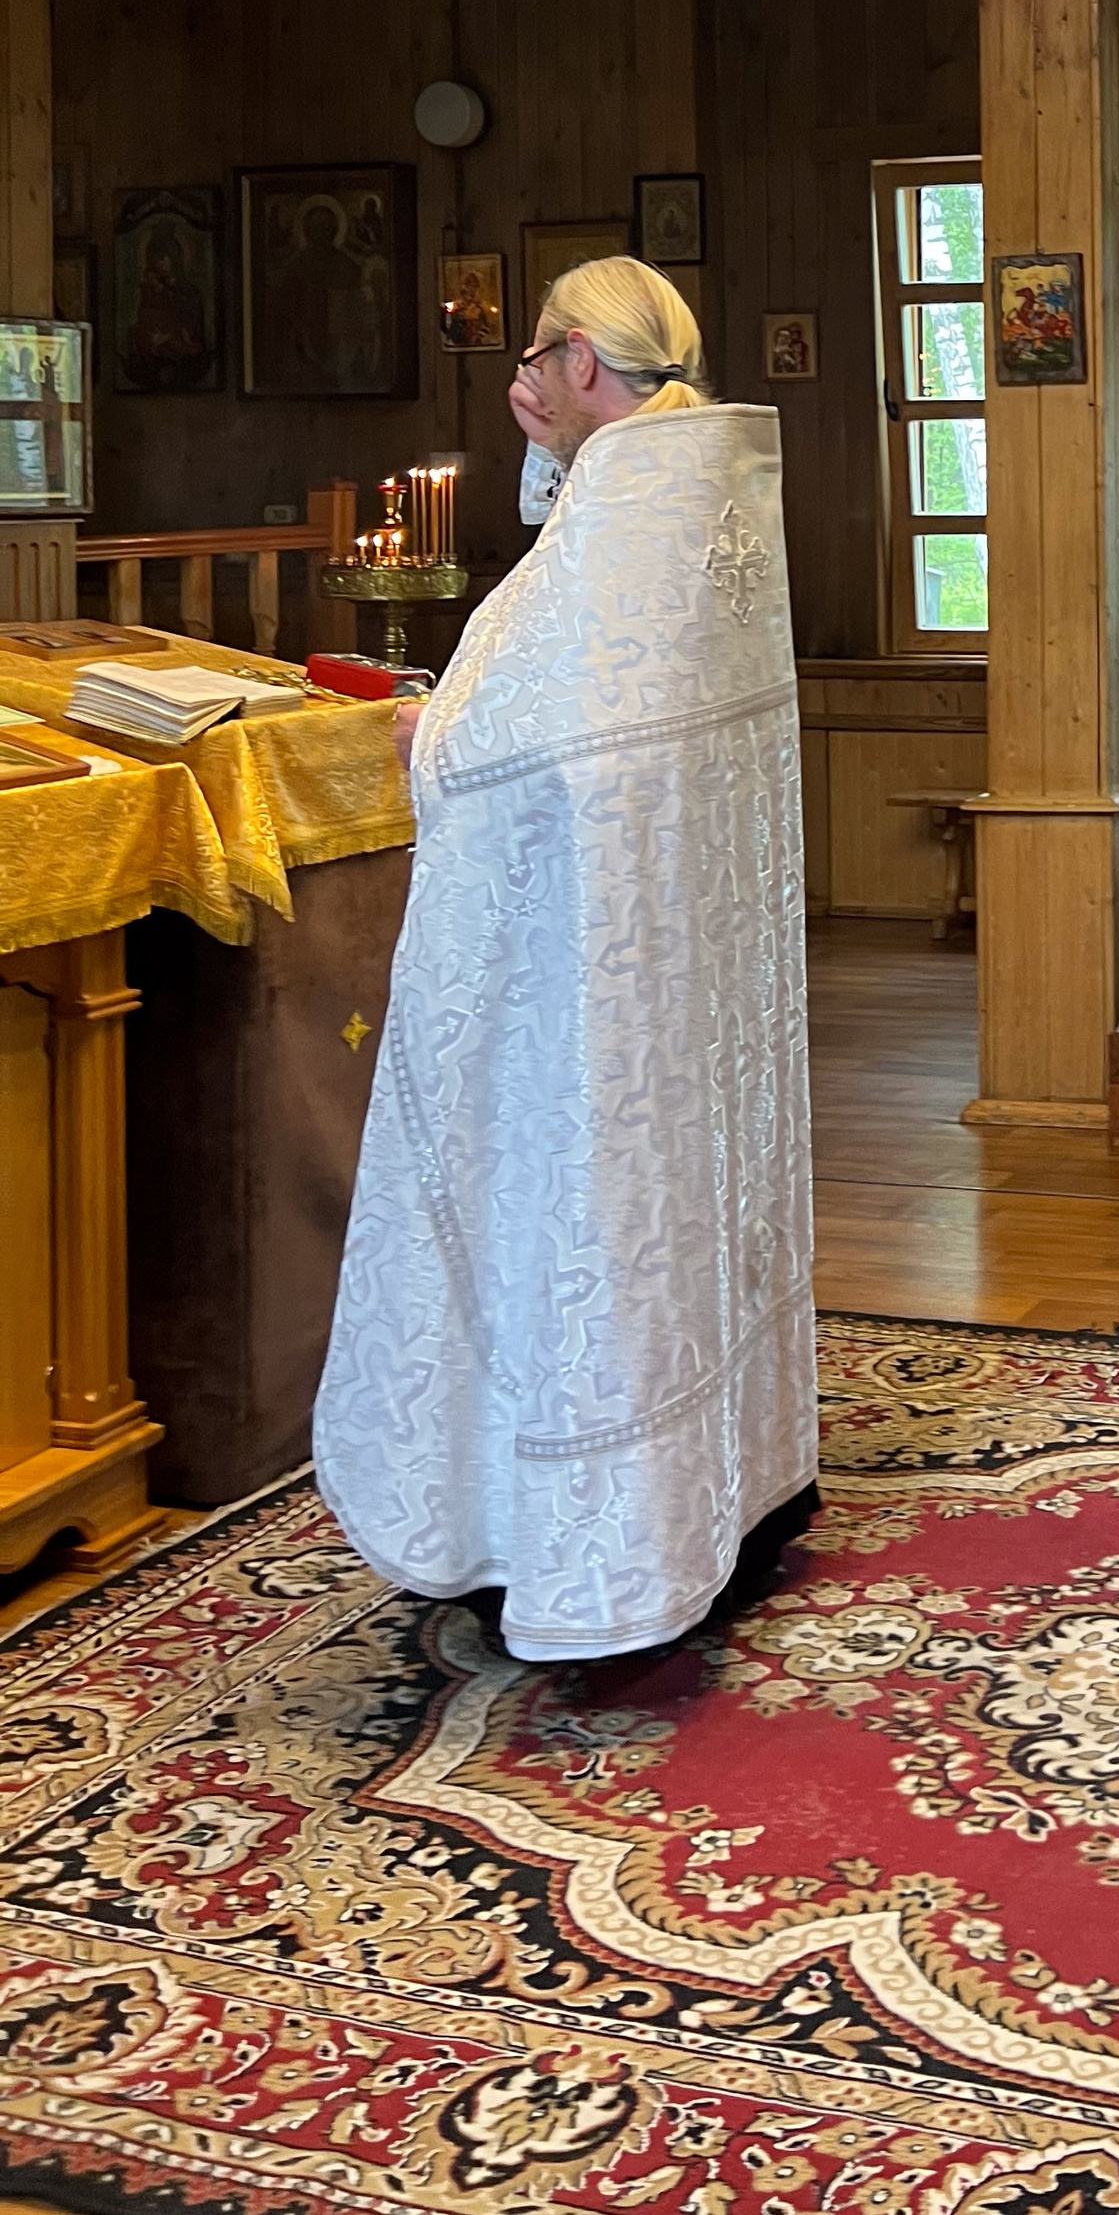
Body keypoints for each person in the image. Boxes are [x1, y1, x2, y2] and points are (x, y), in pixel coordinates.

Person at [313, 258, 819, 1662]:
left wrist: (428, 736)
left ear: (584, 359)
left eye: (536, 356)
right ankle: (735, 1496)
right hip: (684, 953)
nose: (524, 381)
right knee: (679, 1210)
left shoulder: (628, 511)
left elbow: (525, 740)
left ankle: (589, 1545)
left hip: (599, 976)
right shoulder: (706, 483)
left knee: (581, 1215)